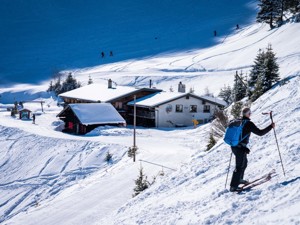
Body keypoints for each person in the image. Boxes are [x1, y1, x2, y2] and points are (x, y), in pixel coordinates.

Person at [229, 107, 275, 192]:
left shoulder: (238, 121)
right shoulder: (248, 124)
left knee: (244, 163)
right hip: (240, 147)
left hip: (235, 146)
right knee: (239, 166)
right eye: (250, 113)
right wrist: (271, 127)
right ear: (247, 114)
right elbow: (260, 133)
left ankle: (239, 179)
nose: (251, 114)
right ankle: (233, 186)